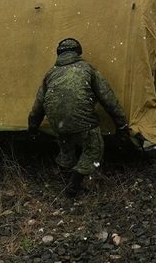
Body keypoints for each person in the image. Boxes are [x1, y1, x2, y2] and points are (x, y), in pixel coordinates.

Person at [27, 38, 130, 197]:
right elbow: (108, 98)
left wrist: (33, 127)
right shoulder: (87, 69)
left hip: (57, 122)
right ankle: (75, 184)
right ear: (78, 52)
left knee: (66, 144)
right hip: (83, 120)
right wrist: (121, 125)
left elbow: (38, 105)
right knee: (94, 148)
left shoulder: (51, 73)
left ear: (59, 54)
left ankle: (64, 170)